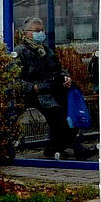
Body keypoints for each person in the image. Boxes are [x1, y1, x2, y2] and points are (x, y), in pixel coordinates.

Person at [15, 18, 92, 159]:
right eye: (37, 31)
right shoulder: (20, 52)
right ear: (26, 34)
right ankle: (75, 147)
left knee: (71, 113)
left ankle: (54, 148)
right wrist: (33, 87)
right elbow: (15, 79)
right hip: (38, 94)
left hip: (55, 91)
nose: (41, 33)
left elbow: (59, 69)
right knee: (59, 116)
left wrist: (66, 77)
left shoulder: (46, 50)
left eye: (42, 30)